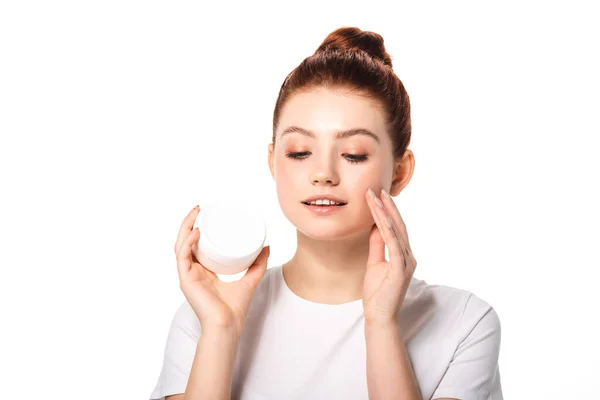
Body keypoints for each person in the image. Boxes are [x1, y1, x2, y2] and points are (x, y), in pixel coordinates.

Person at [149, 26, 503, 400]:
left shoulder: (464, 323)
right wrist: (221, 332)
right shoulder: (206, 316)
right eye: (300, 152)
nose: (323, 174)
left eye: (354, 154)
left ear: (399, 172)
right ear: (273, 162)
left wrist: (381, 324)